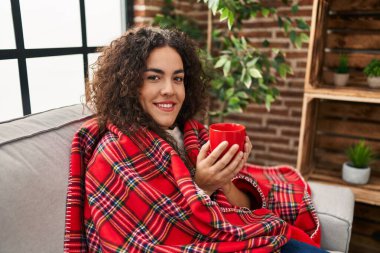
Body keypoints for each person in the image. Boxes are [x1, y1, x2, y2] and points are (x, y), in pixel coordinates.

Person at [64, 26, 326, 253]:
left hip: (245, 240)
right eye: (154, 77)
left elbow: (242, 210)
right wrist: (202, 186)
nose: (170, 90)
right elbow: (152, 240)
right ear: (129, 84)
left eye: (178, 78)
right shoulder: (112, 155)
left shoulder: (193, 135)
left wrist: (224, 179)